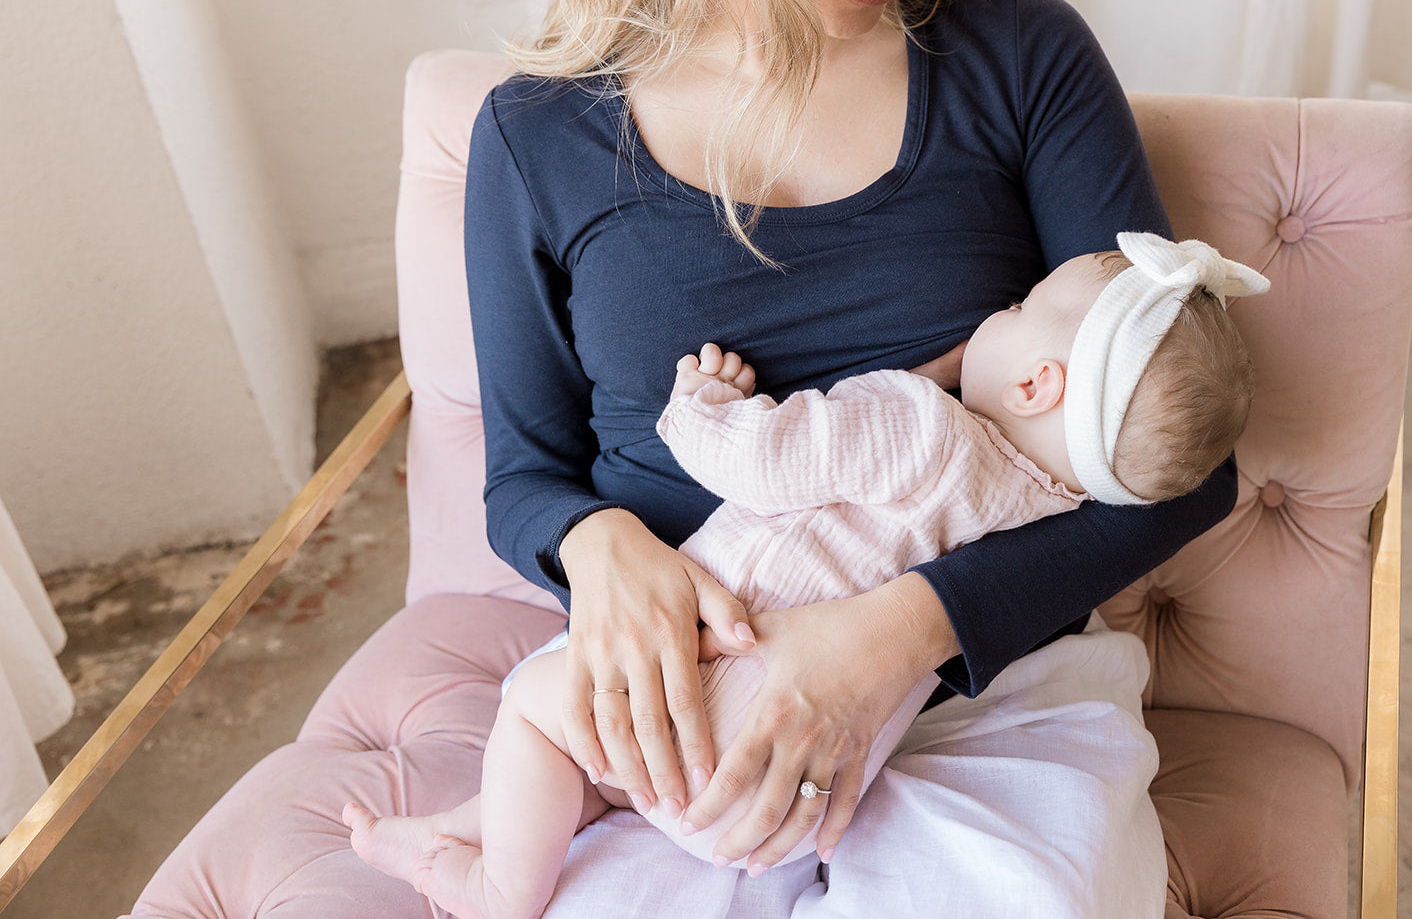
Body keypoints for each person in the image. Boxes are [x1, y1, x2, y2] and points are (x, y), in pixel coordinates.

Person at [344, 0, 1243, 911]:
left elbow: (1182, 466)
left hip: (987, 685)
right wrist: (598, 545)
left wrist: (895, 636)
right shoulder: (537, 137)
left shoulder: (1015, 50)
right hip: (684, 710)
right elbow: (525, 474)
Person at [342, 233, 1269, 918]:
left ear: (1037, 385)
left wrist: (701, 407)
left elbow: (766, 464)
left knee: (536, 710)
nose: (1002, 308)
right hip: (786, 796)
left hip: (708, 697)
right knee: (595, 767)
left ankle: (497, 884)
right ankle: (460, 824)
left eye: (1021, 309)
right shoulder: (1048, 512)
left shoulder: (921, 424)